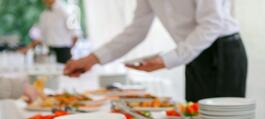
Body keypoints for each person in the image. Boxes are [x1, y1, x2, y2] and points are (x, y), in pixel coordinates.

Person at [64, 0, 248, 102]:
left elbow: (212, 23)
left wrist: (168, 59)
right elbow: (138, 28)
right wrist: (91, 59)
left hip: (223, 51)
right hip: (193, 53)